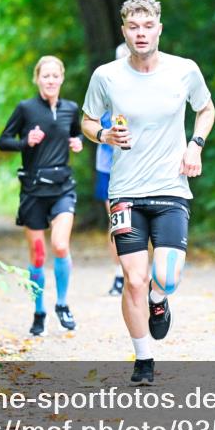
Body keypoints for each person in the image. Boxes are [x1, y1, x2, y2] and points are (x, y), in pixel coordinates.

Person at [82, 0, 215, 385]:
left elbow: (206, 109)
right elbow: (88, 121)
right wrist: (103, 134)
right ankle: (144, 359)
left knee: (166, 276)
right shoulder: (106, 76)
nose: (141, 34)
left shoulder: (184, 70)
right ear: (125, 31)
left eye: (147, 26)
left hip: (172, 186)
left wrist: (196, 145)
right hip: (125, 191)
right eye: (133, 28)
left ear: (159, 28)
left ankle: (160, 300)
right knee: (134, 278)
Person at [0, 55, 84, 337]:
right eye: (45, 76)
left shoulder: (71, 108)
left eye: (54, 75)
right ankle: (39, 311)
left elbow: (77, 135)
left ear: (62, 78)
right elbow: (3, 141)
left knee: (60, 245)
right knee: (37, 255)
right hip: (34, 189)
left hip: (62, 186)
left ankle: (62, 304)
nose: (50, 80)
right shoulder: (25, 109)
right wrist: (25, 142)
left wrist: (78, 142)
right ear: (37, 79)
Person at [96, 43, 131, 296]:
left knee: (143, 221)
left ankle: (137, 272)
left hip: (140, 166)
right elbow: (91, 124)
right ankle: (119, 274)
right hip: (109, 168)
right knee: (117, 221)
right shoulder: (104, 89)